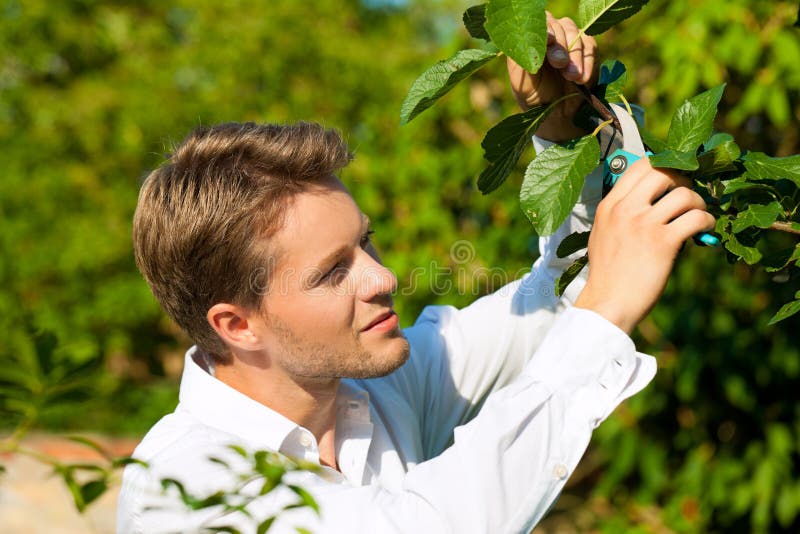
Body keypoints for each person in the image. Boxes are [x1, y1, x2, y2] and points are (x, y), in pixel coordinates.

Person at [117, 14, 715, 534]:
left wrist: (561, 131)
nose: (382, 278)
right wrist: (605, 311)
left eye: (366, 241)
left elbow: (550, 305)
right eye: (332, 273)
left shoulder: (378, 391)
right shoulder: (188, 489)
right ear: (237, 325)